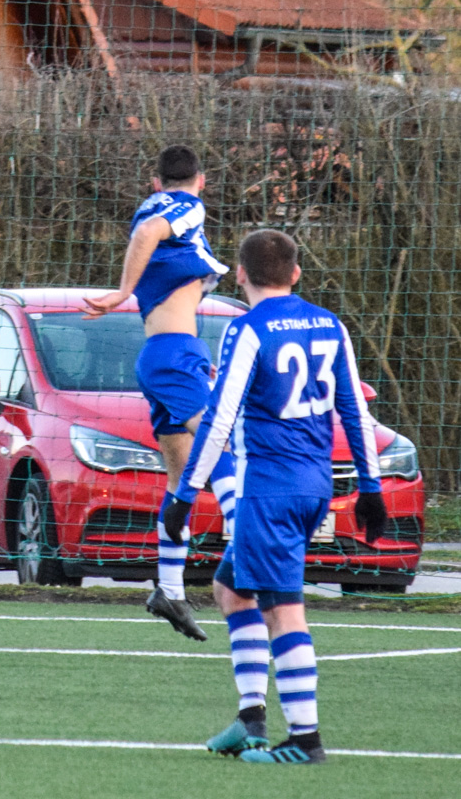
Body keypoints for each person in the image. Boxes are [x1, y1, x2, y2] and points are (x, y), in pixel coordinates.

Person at [164, 229, 385, 765]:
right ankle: (251, 720)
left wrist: (185, 493)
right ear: (296, 273)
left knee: (284, 611)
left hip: (269, 490)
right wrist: (370, 486)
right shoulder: (329, 324)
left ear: (240, 274)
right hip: (314, 487)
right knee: (230, 589)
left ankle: (306, 741)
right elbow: (354, 410)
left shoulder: (247, 329)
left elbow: (220, 416)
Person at [81, 145, 239, 641]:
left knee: (180, 477)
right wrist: (122, 292)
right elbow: (149, 232)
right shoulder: (187, 206)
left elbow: (148, 232)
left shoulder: (154, 210)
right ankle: (248, 551)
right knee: (222, 444)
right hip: (175, 356)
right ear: (201, 180)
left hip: (163, 356)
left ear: (154, 181)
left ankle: (169, 589)